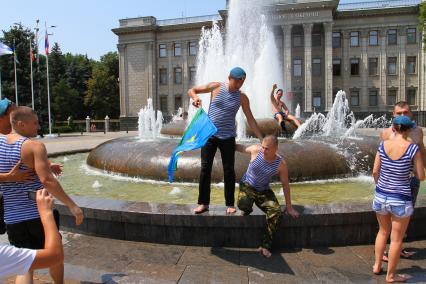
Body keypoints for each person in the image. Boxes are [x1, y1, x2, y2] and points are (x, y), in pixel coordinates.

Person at [0, 106, 84, 284]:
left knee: (24, 264)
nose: (38, 127)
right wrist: (72, 205)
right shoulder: (34, 146)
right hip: (39, 213)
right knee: (55, 256)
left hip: (13, 217)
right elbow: (47, 180)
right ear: (21, 124)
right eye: (35, 123)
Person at [188, 67, 264, 214]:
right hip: (210, 134)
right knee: (205, 169)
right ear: (229, 77)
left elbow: (251, 119)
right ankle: (203, 203)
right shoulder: (215, 87)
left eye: (242, 82)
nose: (239, 85)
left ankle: (230, 203)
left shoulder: (242, 97)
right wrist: (195, 98)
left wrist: (261, 139)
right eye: (237, 82)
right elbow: (192, 90)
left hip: (228, 137)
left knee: (229, 170)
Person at [372, 115, 424, 282]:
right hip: (400, 199)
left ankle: (377, 266)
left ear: (393, 128)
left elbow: (375, 171)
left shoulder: (383, 145)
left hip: (380, 197)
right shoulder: (412, 148)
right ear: (408, 130)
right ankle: (391, 276)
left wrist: (381, 186)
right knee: (396, 240)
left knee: (382, 232)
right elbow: (421, 176)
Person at [236, 135, 299, 257]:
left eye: (267, 149)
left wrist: (289, 207)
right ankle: (247, 208)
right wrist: (223, 143)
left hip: (263, 191)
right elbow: (240, 147)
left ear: (276, 149)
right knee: (243, 204)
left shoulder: (280, 164)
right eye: (263, 147)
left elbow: (285, 185)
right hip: (247, 186)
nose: (263, 150)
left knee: (276, 213)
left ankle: (265, 245)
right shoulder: (255, 150)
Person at [380, 101, 426, 261]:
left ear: (411, 114)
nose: (402, 116)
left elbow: (422, 150)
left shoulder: (418, 132)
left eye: (405, 112)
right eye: (398, 113)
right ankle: (387, 251)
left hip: (411, 181)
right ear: (393, 114)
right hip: (391, 183)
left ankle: (396, 248)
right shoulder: (386, 133)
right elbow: (381, 157)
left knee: (405, 216)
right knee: (387, 221)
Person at [0, 189, 64, 281]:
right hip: (37, 215)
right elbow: (55, 256)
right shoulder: (2, 253)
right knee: (52, 262)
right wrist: (46, 212)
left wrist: (9, 176)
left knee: (25, 267)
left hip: (13, 218)